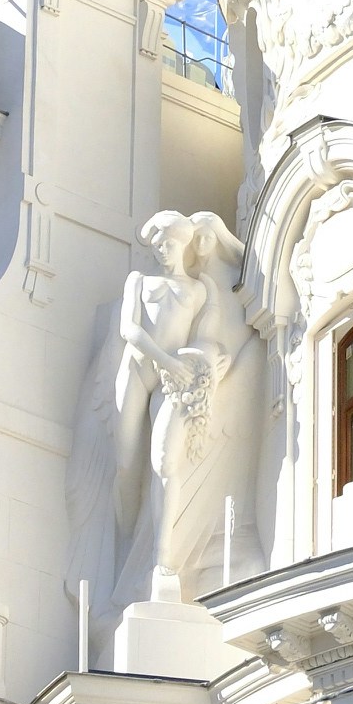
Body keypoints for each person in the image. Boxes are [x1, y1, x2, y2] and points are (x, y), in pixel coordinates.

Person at [110, 210, 261, 603]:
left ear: (183, 245)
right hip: (142, 368)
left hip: (172, 380)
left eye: (171, 244)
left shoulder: (200, 290)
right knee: (126, 459)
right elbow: (131, 330)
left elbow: (204, 338)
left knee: (165, 461)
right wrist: (170, 361)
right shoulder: (139, 280)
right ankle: (124, 533)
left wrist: (216, 363)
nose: (163, 251)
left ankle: (161, 558)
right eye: (158, 244)